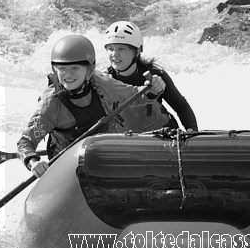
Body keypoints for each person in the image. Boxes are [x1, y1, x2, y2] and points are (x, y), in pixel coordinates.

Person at [17, 34, 168, 178]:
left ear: (89, 70)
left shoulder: (103, 84)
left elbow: (136, 97)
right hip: (64, 165)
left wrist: (153, 89)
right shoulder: (50, 104)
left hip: (103, 155)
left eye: (75, 68)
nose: (67, 75)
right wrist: (34, 163)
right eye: (62, 69)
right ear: (55, 70)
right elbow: (25, 143)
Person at [103, 20, 199, 131]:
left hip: (160, 136)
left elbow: (181, 107)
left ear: (137, 51)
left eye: (121, 48)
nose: (114, 54)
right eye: (110, 49)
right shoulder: (105, 80)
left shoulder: (156, 76)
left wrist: (192, 130)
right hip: (126, 140)